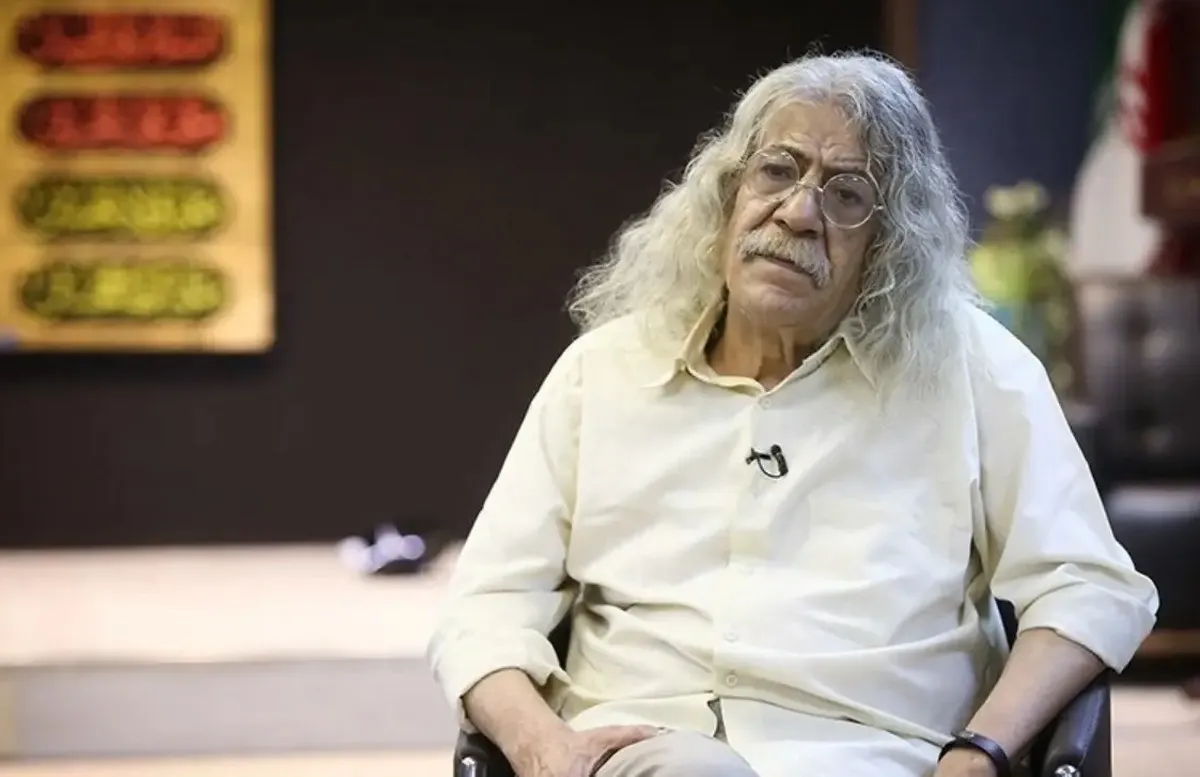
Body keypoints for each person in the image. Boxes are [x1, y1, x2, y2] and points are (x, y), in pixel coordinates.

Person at [427, 52, 1158, 777]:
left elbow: (1087, 587)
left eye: (848, 195)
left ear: (889, 244)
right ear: (727, 191)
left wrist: (981, 751)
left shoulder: (972, 368)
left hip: (871, 754)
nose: (800, 212)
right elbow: (487, 606)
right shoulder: (604, 370)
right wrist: (543, 748)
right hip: (649, 748)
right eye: (777, 170)